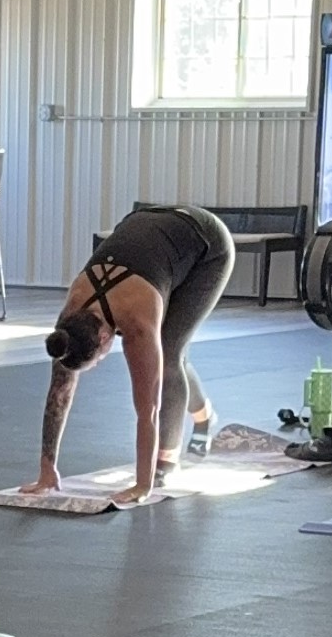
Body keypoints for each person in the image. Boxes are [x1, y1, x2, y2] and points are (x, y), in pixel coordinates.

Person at [30, 207, 235, 505]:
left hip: (207, 244)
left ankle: (166, 461)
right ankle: (204, 416)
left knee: (169, 350)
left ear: (104, 340)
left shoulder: (137, 325)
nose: (100, 364)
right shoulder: (71, 318)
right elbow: (58, 394)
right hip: (147, 229)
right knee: (167, 351)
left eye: (97, 360)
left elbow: (147, 411)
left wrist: (142, 484)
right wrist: (47, 470)